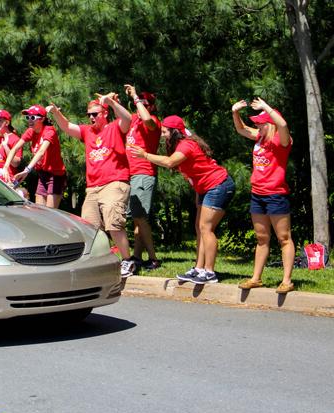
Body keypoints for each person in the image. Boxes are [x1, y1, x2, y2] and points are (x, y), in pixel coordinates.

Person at [131, 115, 235, 284]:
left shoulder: (186, 145)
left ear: (174, 132)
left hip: (219, 185)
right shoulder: (181, 144)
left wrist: (145, 155)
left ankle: (209, 272)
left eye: (165, 131)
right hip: (205, 189)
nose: (163, 135)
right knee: (199, 227)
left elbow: (170, 162)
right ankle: (199, 268)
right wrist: (198, 195)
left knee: (206, 228)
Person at [47, 93, 135, 277]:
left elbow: (128, 118)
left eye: (95, 114)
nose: (91, 117)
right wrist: (55, 113)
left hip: (114, 182)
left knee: (114, 223)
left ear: (105, 113)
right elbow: (67, 126)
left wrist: (111, 102)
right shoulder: (87, 131)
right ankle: (101, 263)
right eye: (89, 115)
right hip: (93, 187)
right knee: (89, 227)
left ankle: (128, 261)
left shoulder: (114, 127)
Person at [232, 98, 295, 294]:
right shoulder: (260, 136)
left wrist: (267, 107)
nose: (256, 125)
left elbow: (283, 124)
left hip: (276, 194)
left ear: (270, 123)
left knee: (283, 238)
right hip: (257, 194)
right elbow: (241, 129)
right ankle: (256, 278)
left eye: (260, 122)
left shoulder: (282, 140)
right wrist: (235, 112)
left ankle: (286, 280)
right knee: (261, 238)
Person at [124, 84, 161, 271]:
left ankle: (153, 259)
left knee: (140, 217)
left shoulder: (153, 121)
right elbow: (123, 117)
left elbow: (147, 119)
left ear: (151, 106)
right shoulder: (133, 120)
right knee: (137, 218)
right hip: (132, 173)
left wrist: (136, 98)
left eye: (146, 103)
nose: (141, 107)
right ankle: (137, 256)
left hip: (143, 172)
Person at [3, 104, 67, 208]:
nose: (29, 120)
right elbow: (15, 148)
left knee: (51, 213)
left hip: (55, 176)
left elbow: (41, 151)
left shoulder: (49, 131)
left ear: (41, 119)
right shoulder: (30, 131)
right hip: (42, 174)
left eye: (32, 117)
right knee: (39, 211)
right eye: (27, 117)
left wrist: (27, 170)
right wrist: (5, 167)